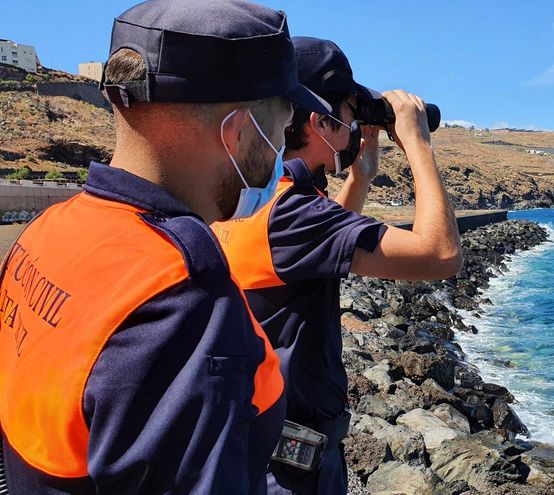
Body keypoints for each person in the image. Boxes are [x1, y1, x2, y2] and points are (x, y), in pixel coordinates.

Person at [0, 1, 333, 493]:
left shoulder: (47, 232)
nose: (282, 154)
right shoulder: (183, 302)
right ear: (239, 131)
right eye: (282, 133)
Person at [212, 37, 462, 494]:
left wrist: (361, 173)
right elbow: (440, 254)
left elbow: (323, 245)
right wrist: (418, 144)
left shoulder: (255, 194)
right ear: (318, 122)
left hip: (253, 433)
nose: (353, 127)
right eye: (349, 115)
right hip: (290, 463)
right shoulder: (296, 215)